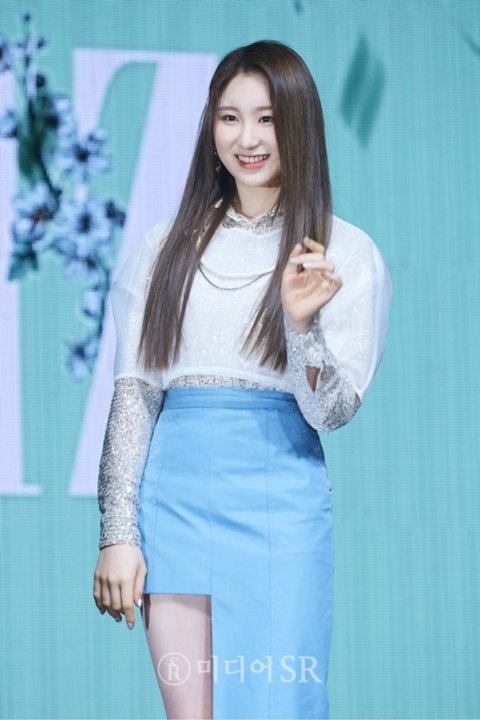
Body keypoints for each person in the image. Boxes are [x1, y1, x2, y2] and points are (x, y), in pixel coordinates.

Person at [92, 39, 392, 720]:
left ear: (299, 124)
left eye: (267, 118)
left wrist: (300, 325)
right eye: (230, 118)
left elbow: (330, 412)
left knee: (280, 706)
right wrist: (119, 532)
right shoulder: (163, 248)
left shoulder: (345, 252)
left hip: (279, 510)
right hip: (176, 508)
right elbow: (136, 394)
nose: (247, 139)